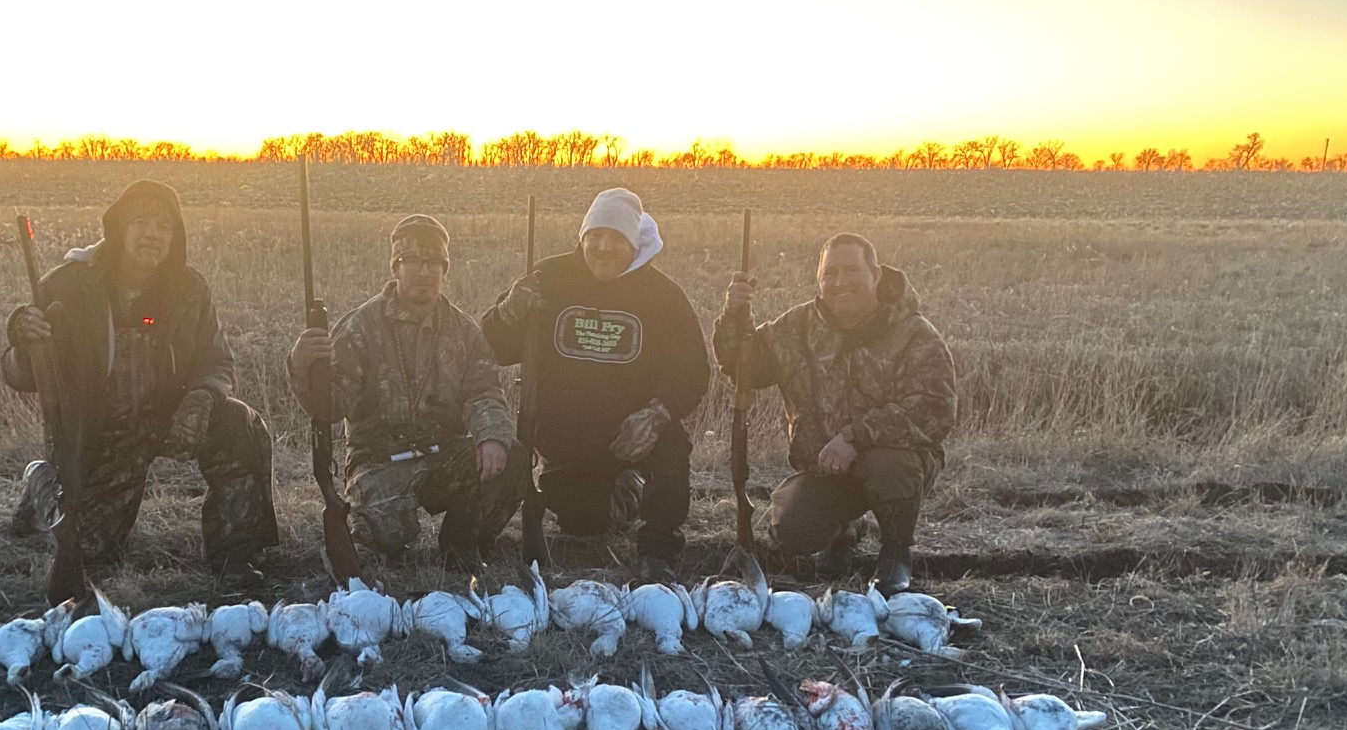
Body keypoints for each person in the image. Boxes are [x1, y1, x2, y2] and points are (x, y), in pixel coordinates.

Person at [2, 179, 277, 588]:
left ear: (175, 237)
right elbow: (19, 375)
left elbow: (217, 359)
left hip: (171, 415)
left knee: (240, 424)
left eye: (164, 226)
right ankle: (42, 483)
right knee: (91, 551)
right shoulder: (68, 285)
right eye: (141, 222)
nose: (152, 234)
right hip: (100, 429)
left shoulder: (190, 289)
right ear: (118, 228)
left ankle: (235, 556)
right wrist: (23, 340)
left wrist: (202, 400)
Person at [712, 231, 956, 592]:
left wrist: (854, 437)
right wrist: (734, 315)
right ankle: (846, 530)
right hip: (825, 468)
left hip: (896, 463)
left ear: (875, 275)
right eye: (830, 274)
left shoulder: (913, 333)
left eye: (851, 271)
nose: (840, 282)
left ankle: (895, 553)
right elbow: (743, 366)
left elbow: (934, 409)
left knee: (888, 466)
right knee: (791, 531)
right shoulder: (796, 328)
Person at [481, 187, 710, 572]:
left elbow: (691, 369)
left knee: (671, 446)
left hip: (633, 428)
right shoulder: (546, 278)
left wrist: (658, 413)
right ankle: (623, 493)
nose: (604, 247)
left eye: (616, 238)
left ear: (634, 244)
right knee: (584, 523)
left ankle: (658, 552)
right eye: (595, 236)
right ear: (582, 238)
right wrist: (507, 313)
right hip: (565, 432)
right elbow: (493, 350)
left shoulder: (663, 296)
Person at [286, 214, 520, 571]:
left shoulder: (463, 331)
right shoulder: (361, 327)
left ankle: (462, 545)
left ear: (444, 270)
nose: (424, 272)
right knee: (385, 541)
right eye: (413, 261)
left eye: (434, 263)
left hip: (443, 455)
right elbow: (330, 408)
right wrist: (301, 367)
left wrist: (491, 436)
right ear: (395, 267)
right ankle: (374, 531)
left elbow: (484, 392)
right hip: (379, 459)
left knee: (512, 455)